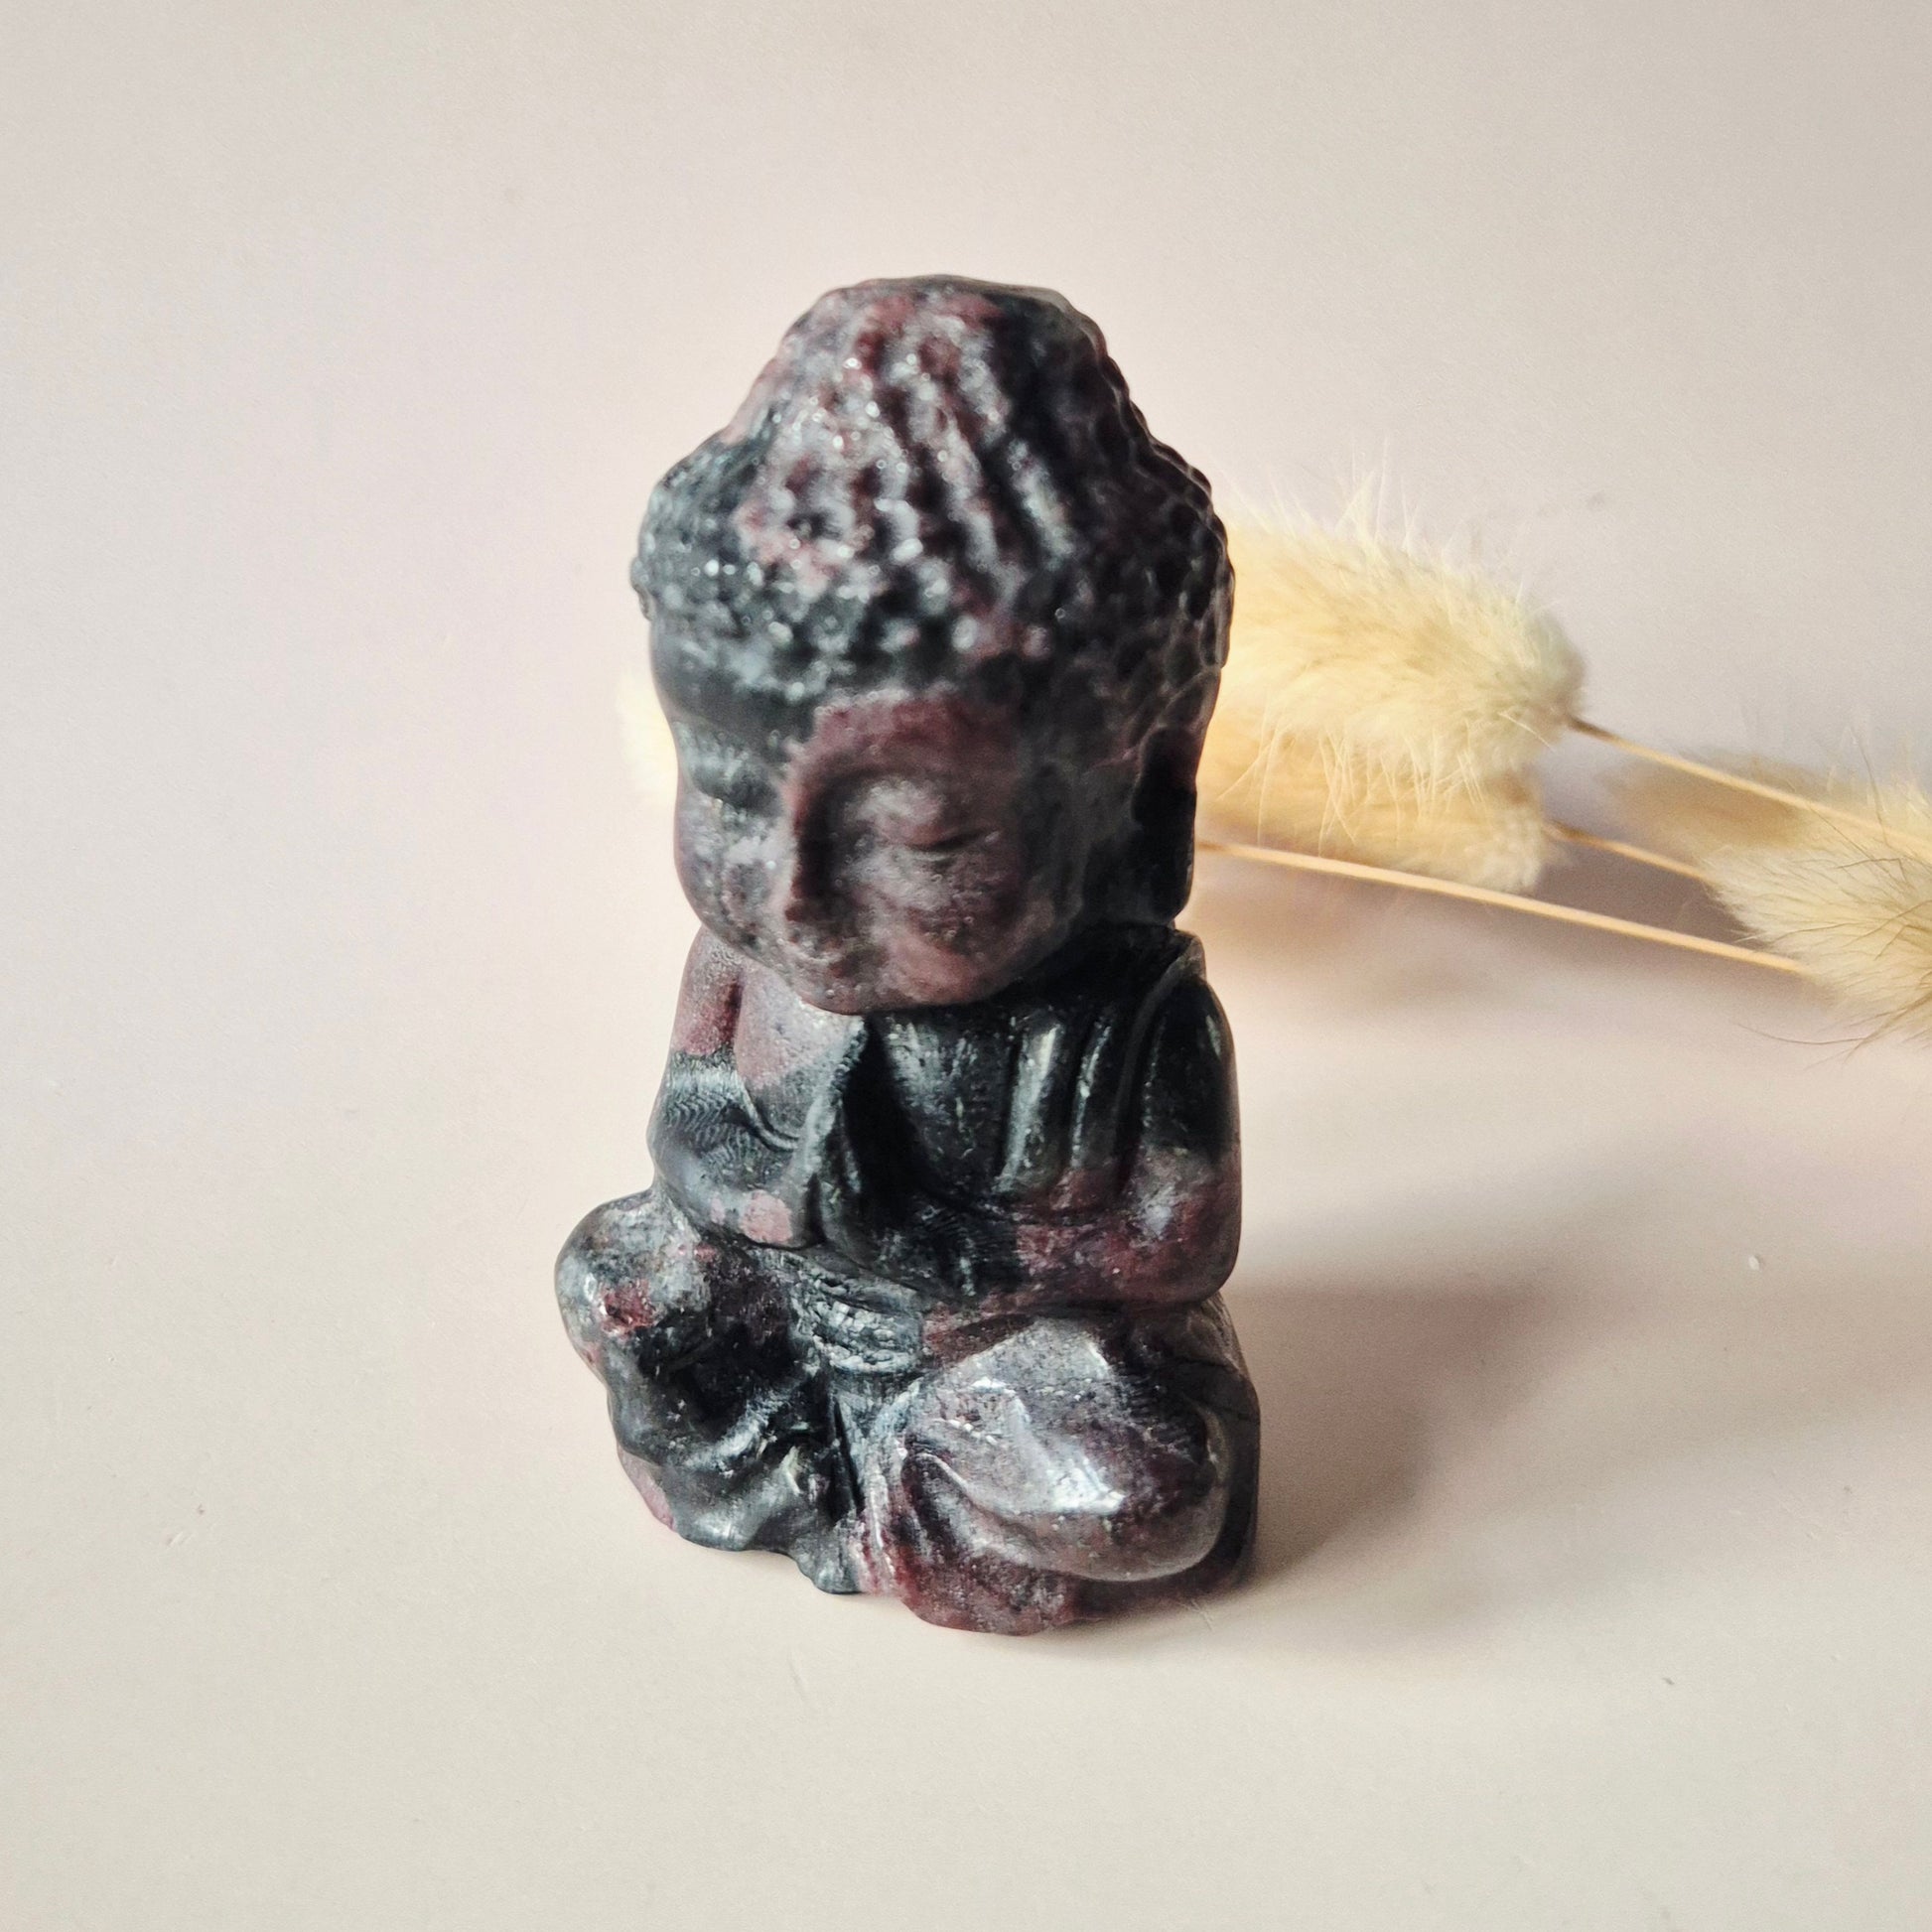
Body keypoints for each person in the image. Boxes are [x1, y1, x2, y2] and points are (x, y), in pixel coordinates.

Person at [558, 277, 1259, 1633]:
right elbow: (690, 1130)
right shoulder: (744, 968)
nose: (794, 897)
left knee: (1140, 1489)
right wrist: (767, 1207)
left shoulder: (1134, 1022)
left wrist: (961, 1259)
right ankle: (827, 1461)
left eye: (920, 841)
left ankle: (896, 1477)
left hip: (1011, 1364)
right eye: (730, 797)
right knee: (612, 1278)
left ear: (1143, 788)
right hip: (796, 1299)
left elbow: (1176, 1239)